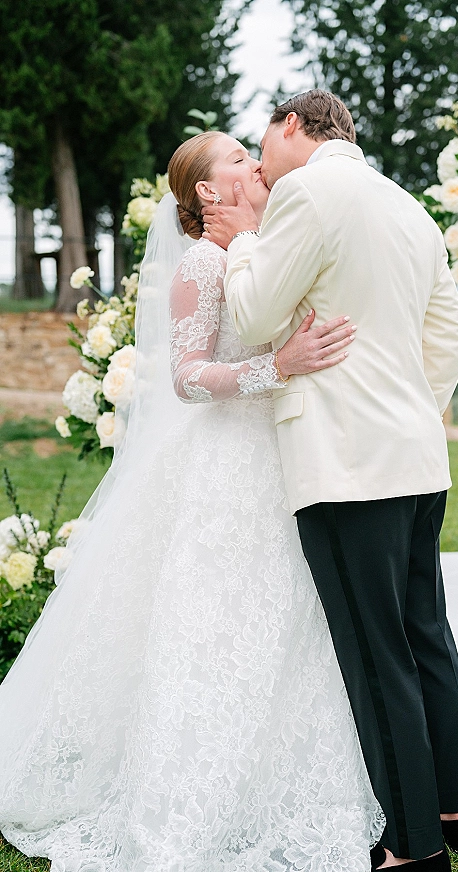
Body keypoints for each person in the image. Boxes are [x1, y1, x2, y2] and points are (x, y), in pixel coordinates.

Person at [0, 131, 384, 872]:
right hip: (223, 467)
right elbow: (186, 376)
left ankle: (278, 785)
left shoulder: (263, 252)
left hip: (279, 461)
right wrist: (280, 366)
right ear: (206, 193)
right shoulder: (203, 264)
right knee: (214, 626)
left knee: (284, 624)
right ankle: (186, 795)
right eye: (237, 158)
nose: (253, 164)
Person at [202, 89, 458, 871]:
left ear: (295, 124)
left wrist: (249, 240)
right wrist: (407, 410)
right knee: (425, 634)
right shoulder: (406, 204)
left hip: (346, 464)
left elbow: (255, 317)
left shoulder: (303, 195)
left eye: (263, 139)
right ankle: (453, 806)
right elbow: (448, 331)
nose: (257, 162)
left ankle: (413, 846)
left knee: (373, 650)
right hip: (417, 457)